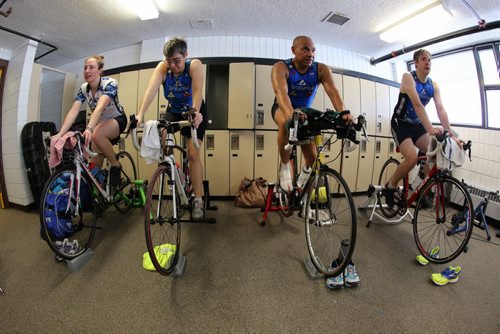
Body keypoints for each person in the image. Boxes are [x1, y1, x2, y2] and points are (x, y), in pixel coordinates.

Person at [271, 35, 359, 290]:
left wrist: (343, 113)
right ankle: (286, 166)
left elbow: (333, 92)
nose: (310, 54)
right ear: (294, 50)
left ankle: (305, 193)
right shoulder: (281, 67)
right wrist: (291, 114)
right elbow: (281, 93)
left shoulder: (320, 70)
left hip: (307, 115)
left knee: (314, 165)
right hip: (284, 109)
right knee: (286, 124)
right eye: (305, 49)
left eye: (313, 50)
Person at [136, 37, 207, 219]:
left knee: (192, 154)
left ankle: (198, 198)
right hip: (174, 111)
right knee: (162, 132)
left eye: (177, 61)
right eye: (169, 61)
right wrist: (140, 114)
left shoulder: (194, 65)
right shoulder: (163, 67)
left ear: (186, 55)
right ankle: (176, 170)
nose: (173, 65)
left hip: (194, 110)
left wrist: (196, 112)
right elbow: (150, 90)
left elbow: (198, 90)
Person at [386, 48, 460, 207]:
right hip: (400, 123)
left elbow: (441, 109)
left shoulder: (433, 85)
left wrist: (451, 134)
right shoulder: (408, 77)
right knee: (411, 158)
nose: (428, 62)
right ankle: (390, 187)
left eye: (430, 60)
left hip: (416, 125)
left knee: (434, 153)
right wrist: (430, 129)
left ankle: (419, 185)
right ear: (416, 63)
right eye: (424, 59)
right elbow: (417, 104)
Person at [54, 55, 127, 186]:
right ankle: (99, 189)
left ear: (100, 70)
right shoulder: (83, 89)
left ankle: (116, 165)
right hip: (101, 123)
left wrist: (89, 129)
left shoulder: (110, 83)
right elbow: (73, 111)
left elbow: (99, 107)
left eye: (91, 67)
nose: (87, 71)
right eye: (85, 68)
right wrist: (60, 134)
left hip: (117, 119)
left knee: (97, 133)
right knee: (94, 166)